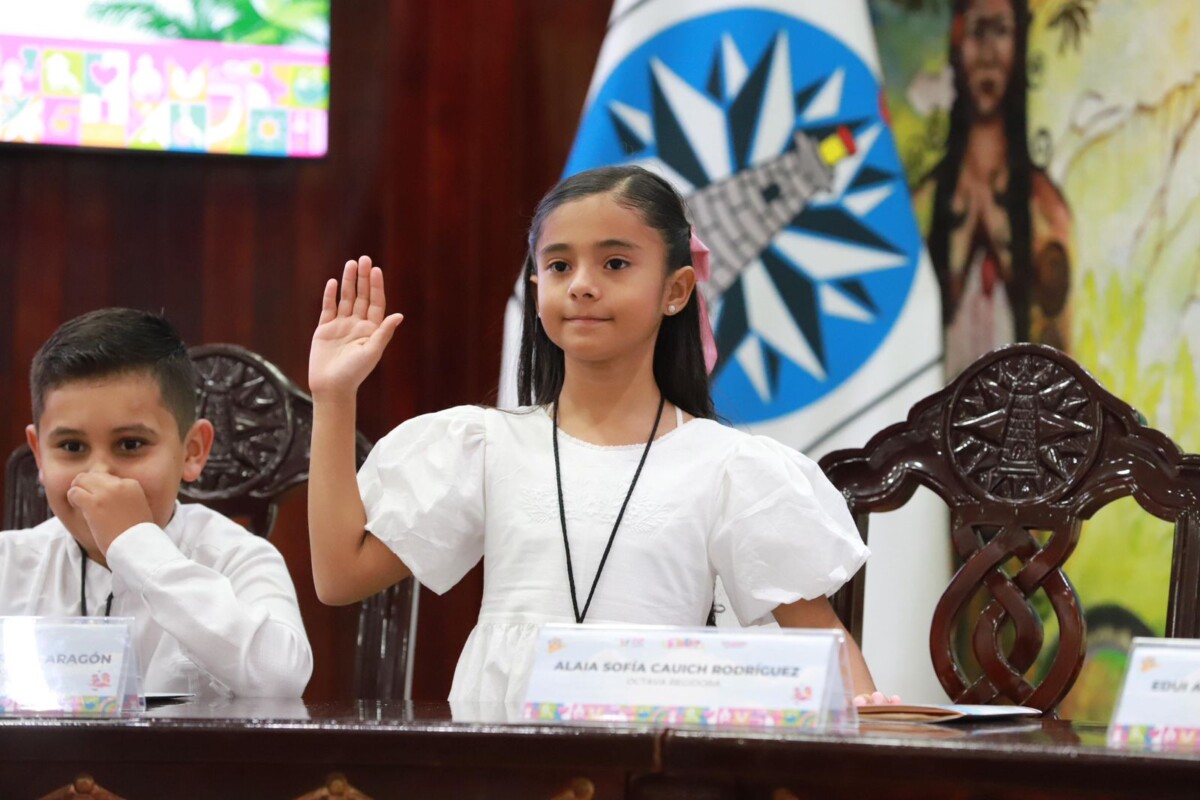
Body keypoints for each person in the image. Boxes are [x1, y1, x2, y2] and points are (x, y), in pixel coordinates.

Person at [308, 165, 896, 707]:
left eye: (615, 263)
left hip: (654, 759)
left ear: (676, 290)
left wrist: (871, 728)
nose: (582, 285)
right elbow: (340, 576)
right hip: (503, 760)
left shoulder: (727, 465)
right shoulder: (485, 446)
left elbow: (823, 641)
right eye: (560, 266)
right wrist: (334, 398)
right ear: (536, 286)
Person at [0, 308, 312, 698]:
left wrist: (137, 544)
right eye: (72, 447)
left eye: (130, 444)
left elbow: (282, 681)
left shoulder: (237, 558)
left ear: (192, 451)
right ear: (39, 456)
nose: (100, 474)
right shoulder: (9, 564)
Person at [916, 0, 1072, 376]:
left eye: (1001, 31)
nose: (988, 53)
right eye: (977, 31)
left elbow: (1061, 368)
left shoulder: (1047, 212)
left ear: (1019, 44)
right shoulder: (921, 207)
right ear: (957, 42)